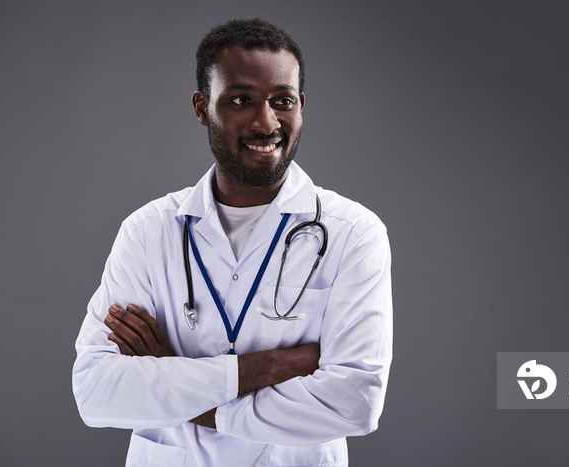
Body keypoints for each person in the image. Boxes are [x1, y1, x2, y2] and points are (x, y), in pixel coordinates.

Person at [72, 18, 392, 467]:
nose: (266, 123)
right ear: (203, 107)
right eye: (241, 100)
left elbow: (355, 403)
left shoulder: (353, 233)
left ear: (300, 105)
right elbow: (96, 392)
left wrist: (178, 382)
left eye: (282, 101)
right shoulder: (149, 233)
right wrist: (270, 366)